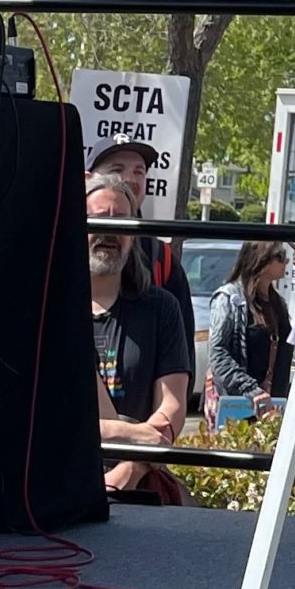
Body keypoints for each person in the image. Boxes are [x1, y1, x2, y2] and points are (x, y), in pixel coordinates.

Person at [87, 175, 191, 506]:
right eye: (98, 218)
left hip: (138, 491)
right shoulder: (46, 310)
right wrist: (131, 434)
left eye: (121, 220)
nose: (110, 230)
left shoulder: (161, 308)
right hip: (55, 482)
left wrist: (128, 469)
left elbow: (172, 407)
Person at [207, 242, 295, 410]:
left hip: (273, 406)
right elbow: (218, 353)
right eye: (280, 255)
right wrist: (250, 389)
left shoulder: (278, 304)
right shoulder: (229, 299)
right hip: (239, 406)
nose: (286, 261)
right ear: (261, 260)